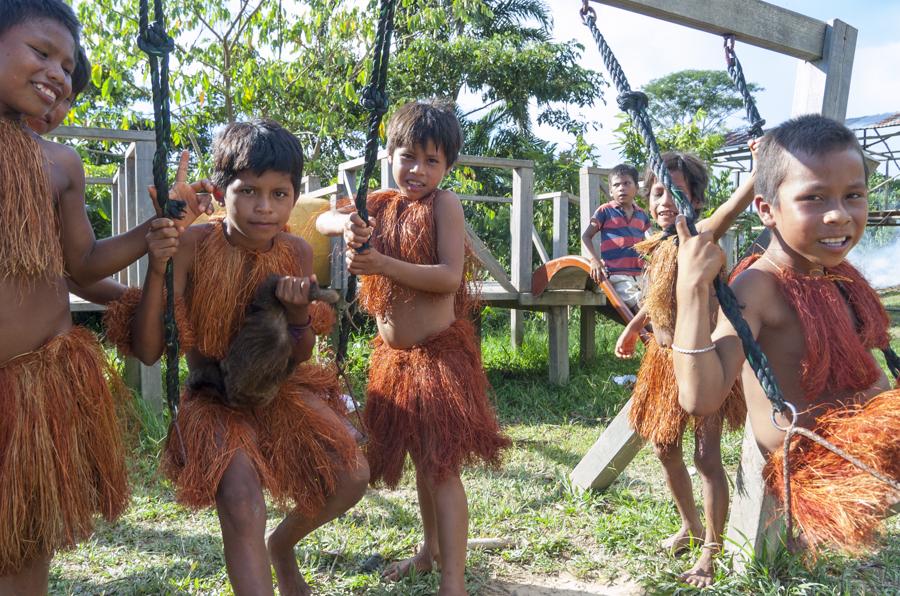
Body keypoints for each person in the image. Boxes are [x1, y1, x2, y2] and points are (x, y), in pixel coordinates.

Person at [105, 119, 369, 596]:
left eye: (279, 193)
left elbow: (301, 353)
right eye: (248, 191)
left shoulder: (293, 252)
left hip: (276, 390)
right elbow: (147, 351)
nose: (264, 207)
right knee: (243, 498)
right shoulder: (193, 245)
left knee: (352, 474)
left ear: (293, 195)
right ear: (221, 190)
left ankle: (282, 548)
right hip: (212, 398)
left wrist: (298, 317)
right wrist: (159, 263)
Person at [0, 2, 209, 591]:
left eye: (67, 66)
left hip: (32, 387)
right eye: (42, 52)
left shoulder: (58, 163)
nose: (58, 74)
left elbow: (81, 262)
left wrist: (153, 230)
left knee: (23, 540)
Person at [672, 114, 898, 553]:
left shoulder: (841, 275)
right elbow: (700, 398)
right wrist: (692, 289)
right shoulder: (759, 286)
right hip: (816, 464)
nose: (839, 215)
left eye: (854, 195)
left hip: (873, 449)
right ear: (767, 209)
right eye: (814, 198)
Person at [317, 100, 509, 596]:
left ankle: (453, 582)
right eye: (407, 157)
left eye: (431, 161)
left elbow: (447, 278)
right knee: (424, 461)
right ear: (390, 154)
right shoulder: (379, 203)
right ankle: (429, 552)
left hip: (438, 358)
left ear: (447, 167)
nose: (417, 170)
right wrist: (343, 226)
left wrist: (380, 264)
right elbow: (321, 221)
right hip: (395, 362)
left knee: (440, 466)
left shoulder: (444, 206)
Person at [614, 149, 758, 587]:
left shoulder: (701, 236)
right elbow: (657, 295)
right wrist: (633, 327)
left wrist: (758, 168)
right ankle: (691, 525)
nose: (664, 202)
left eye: (676, 193)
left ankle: (711, 550)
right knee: (663, 448)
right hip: (661, 360)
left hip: (699, 362)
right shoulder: (656, 244)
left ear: (695, 200)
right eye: (658, 191)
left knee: (706, 457)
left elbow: (735, 205)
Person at [24, 43, 130, 306]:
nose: (54, 102)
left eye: (67, 99)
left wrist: (140, 301)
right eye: (43, 88)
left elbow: (73, 270)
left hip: (47, 340)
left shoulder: (63, 166)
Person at [581, 163, 651, 310]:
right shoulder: (605, 211)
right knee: (638, 302)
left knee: (654, 298)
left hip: (639, 273)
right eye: (617, 185)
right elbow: (586, 236)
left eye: (626, 183)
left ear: (636, 188)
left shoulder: (642, 215)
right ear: (611, 191)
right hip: (616, 273)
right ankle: (652, 331)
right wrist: (594, 260)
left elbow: (647, 243)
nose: (621, 188)